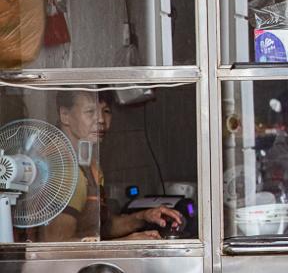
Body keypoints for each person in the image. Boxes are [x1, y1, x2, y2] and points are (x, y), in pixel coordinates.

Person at [36, 90, 180, 242]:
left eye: (106, 111)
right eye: (90, 111)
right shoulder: (61, 169)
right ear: (65, 115)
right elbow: (57, 246)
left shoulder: (89, 164)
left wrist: (143, 217)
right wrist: (126, 243)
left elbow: (99, 228)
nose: (101, 120)